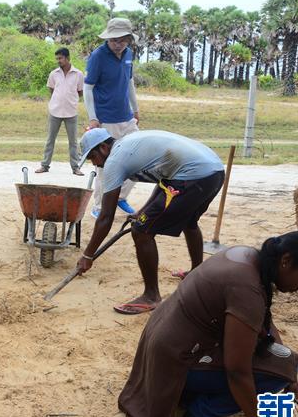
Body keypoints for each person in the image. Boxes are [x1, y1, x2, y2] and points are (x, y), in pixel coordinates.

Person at [117, 231, 298, 417]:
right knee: (278, 373)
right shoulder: (247, 289)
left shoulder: (248, 257)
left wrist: (285, 362)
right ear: (286, 261)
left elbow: (263, 322)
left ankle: (191, 395)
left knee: (285, 362)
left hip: (163, 345)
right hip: (175, 361)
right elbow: (237, 371)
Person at [75, 128, 225, 314]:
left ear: (104, 147)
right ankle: (196, 273)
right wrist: (144, 210)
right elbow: (165, 179)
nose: (94, 164)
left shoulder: (114, 161)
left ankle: (151, 296)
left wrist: (88, 255)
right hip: (214, 172)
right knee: (189, 222)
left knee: (141, 231)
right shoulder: (128, 144)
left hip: (192, 176)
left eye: (92, 157)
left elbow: (106, 216)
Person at [84, 17, 141, 217]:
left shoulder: (128, 54)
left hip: (126, 117)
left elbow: (129, 82)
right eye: (114, 40)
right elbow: (88, 88)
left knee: (139, 159)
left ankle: (120, 197)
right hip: (105, 119)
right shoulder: (98, 56)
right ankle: (99, 206)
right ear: (108, 39)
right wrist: (92, 117)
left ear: (128, 39)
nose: (118, 44)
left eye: (122, 40)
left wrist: (136, 108)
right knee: (106, 165)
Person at [35, 48, 85, 175]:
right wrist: (58, 101)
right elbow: (52, 89)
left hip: (71, 112)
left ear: (67, 58)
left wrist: (69, 100)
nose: (58, 61)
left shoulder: (78, 74)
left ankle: (75, 167)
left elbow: (80, 92)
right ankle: (45, 165)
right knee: (50, 140)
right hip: (55, 111)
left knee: (73, 142)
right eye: (57, 58)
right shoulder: (54, 74)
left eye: (60, 58)